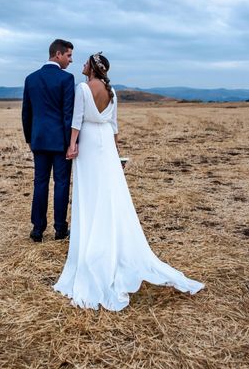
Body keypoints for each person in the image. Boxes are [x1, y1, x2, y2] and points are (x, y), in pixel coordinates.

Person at [53, 52, 204, 311]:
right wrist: (115, 152)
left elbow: (77, 121)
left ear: (92, 68)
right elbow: (114, 126)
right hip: (107, 148)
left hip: (88, 143)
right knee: (111, 194)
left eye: (86, 62)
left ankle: (93, 243)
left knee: (90, 194)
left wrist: (71, 145)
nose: (82, 64)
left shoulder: (82, 88)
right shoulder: (113, 93)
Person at [21, 39, 75, 242]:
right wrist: (71, 142)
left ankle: (37, 229)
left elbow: (26, 112)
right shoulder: (67, 79)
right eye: (68, 55)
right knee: (61, 183)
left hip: (39, 139)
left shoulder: (31, 78)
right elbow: (67, 114)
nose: (70, 60)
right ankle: (60, 229)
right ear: (58, 54)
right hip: (60, 141)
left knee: (40, 183)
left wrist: (30, 138)